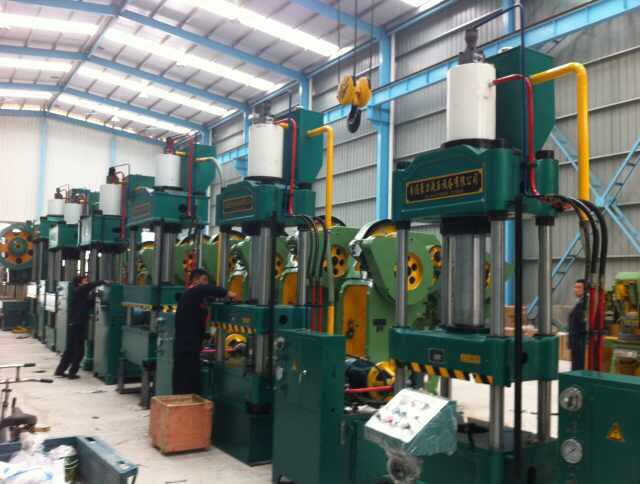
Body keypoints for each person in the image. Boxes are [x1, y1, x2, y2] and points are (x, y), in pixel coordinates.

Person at [173, 268, 238, 395]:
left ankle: (186, 403)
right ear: (195, 280)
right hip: (186, 348)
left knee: (188, 382)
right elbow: (204, 289)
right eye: (204, 280)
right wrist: (227, 293)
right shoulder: (192, 292)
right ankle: (184, 405)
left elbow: (198, 318)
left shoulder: (194, 297)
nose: (206, 283)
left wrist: (206, 335)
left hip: (190, 346)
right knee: (185, 384)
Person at [55, 275, 108, 379]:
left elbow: (88, 304)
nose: (87, 282)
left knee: (70, 350)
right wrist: (103, 281)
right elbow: (88, 287)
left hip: (74, 324)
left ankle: (60, 371)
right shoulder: (80, 290)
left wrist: (96, 297)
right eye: (85, 281)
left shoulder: (80, 294)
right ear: (80, 283)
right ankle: (72, 373)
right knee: (79, 352)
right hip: (78, 325)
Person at [568, 279, 587, 371]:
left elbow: (583, 323)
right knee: (575, 366)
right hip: (576, 341)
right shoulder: (580, 303)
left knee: (578, 367)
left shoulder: (585, 304)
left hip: (580, 342)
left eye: (579, 287)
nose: (576, 289)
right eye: (575, 287)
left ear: (585, 289)